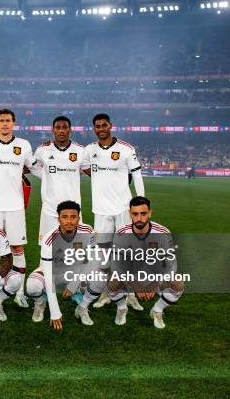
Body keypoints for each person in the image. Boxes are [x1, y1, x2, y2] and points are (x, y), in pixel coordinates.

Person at [83, 113, 145, 312]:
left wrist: (140, 202)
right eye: (97, 126)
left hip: (123, 208)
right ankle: (105, 293)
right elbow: (82, 166)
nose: (101, 128)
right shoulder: (89, 150)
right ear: (94, 129)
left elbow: (137, 174)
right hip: (100, 211)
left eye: (104, 125)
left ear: (110, 126)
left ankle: (130, 295)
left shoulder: (126, 149)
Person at [0, 108, 36, 308]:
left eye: (8, 120)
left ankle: (19, 292)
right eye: (1, 120)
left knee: (17, 248)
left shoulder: (24, 145)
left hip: (15, 206)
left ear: (13, 123)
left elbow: (33, 167)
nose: (5, 124)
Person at [26, 201, 105, 330]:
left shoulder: (88, 231)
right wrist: (55, 312)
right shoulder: (49, 239)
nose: (69, 221)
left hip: (75, 271)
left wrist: (74, 284)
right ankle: (40, 304)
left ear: (79, 218)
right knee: (32, 286)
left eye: (73, 217)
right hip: (53, 272)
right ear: (58, 219)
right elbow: (48, 274)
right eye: (65, 217)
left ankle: (82, 307)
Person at [107, 196, 184, 329]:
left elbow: (171, 264)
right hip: (131, 278)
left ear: (150, 213)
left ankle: (157, 310)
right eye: (135, 214)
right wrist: (136, 284)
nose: (139, 218)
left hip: (155, 276)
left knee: (178, 283)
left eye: (143, 213)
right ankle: (121, 308)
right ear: (130, 214)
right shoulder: (121, 233)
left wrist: (154, 283)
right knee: (112, 282)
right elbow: (116, 266)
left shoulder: (163, 232)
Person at [32, 116, 89, 245]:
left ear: (70, 130)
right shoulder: (42, 150)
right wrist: (46, 175)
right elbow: (32, 167)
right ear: (53, 130)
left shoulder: (80, 150)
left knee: (75, 247)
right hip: (49, 208)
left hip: (73, 209)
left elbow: (92, 172)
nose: (61, 131)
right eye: (58, 128)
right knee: (47, 246)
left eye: (65, 127)